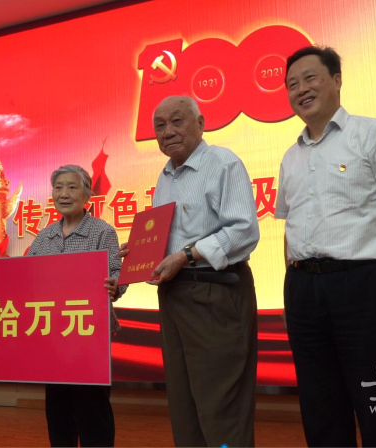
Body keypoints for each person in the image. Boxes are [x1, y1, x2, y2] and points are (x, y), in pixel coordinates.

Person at [275, 46, 376, 447]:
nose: (301, 89)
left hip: (362, 286)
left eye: (310, 78)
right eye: (292, 84)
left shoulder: (374, 134)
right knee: (320, 412)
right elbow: (291, 227)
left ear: (337, 80)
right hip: (303, 290)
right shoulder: (290, 157)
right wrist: (292, 296)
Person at [122, 95, 260, 447]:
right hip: (175, 295)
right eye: (159, 126)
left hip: (215, 293)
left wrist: (186, 255)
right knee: (184, 405)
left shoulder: (223, 163)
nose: (167, 132)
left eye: (177, 121)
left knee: (221, 407)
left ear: (200, 124)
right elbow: (173, 237)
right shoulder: (165, 176)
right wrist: (141, 251)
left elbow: (244, 230)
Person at [27, 164, 126, 447]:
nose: (64, 194)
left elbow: (116, 272)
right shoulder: (44, 236)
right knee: (58, 411)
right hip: (52, 334)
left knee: (93, 409)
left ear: (87, 195)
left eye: (72, 187)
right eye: (58, 188)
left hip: (88, 335)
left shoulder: (102, 231)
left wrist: (116, 286)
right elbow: (24, 277)